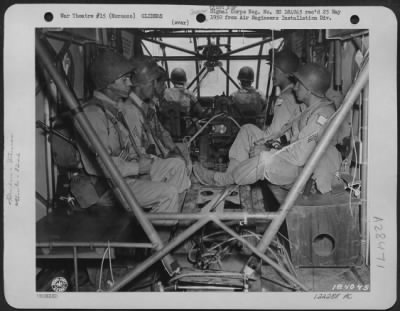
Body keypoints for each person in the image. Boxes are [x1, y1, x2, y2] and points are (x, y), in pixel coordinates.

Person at [70, 50, 189, 223]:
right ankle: (161, 244)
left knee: (177, 165)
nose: (130, 83)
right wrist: (139, 169)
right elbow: (102, 164)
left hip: (126, 174)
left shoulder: (114, 108)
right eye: (124, 79)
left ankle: (173, 220)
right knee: (168, 193)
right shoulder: (93, 115)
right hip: (109, 186)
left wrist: (145, 162)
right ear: (109, 84)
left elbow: (131, 146)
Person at [193, 63, 342, 194]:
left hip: (304, 172)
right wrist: (267, 143)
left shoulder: (322, 116)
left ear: (309, 89)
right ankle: (231, 174)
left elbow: (299, 156)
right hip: (293, 159)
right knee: (247, 130)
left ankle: (222, 179)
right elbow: (285, 134)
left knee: (265, 160)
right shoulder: (306, 108)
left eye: (299, 84)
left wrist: (267, 150)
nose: (295, 87)